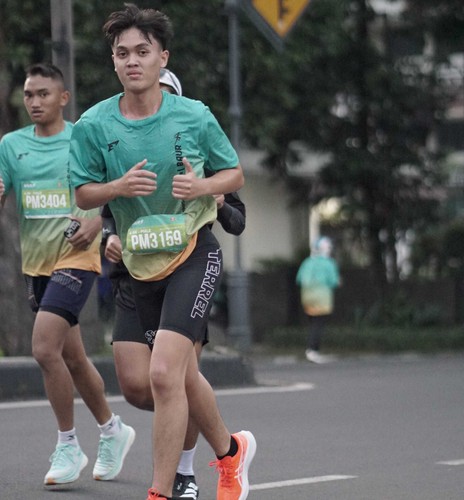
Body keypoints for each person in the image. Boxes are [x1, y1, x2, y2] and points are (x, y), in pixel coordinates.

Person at [69, 5, 256, 500]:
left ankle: (164, 489)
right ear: (113, 61)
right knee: (155, 382)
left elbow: (234, 175)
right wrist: (117, 188)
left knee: (165, 373)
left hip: (193, 252)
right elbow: (83, 195)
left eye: (142, 51)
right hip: (139, 263)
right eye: (122, 53)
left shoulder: (194, 115)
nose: (132, 61)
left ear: (162, 58)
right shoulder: (93, 124)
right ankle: (230, 451)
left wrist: (202, 187)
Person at [101, 68, 246, 500]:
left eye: (164, 95)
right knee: (140, 385)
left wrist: (214, 197)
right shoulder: (124, 146)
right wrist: (108, 237)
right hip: (137, 275)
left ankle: (180, 475)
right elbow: (105, 207)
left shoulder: (197, 141)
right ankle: (230, 450)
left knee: (172, 376)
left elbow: (237, 218)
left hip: (187, 267)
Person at [0, 62, 135, 485]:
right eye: (28, 95)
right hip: (36, 264)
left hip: (77, 259)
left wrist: (98, 222)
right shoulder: (11, 145)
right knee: (72, 357)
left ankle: (68, 444)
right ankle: (113, 429)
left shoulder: (83, 138)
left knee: (44, 349)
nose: (35, 102)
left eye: (43, 94)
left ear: (63, 98)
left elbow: (117, 189)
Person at [296, 236, 340, 363]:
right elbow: (333, 281)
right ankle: (312, 350)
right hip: (322, 297)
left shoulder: (307, 262)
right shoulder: (329, 263)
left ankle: (312, 349)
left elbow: (299, 279)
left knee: (313, 323)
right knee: (318, 324)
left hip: (306, 296)